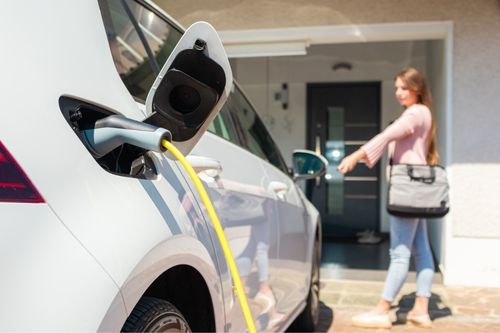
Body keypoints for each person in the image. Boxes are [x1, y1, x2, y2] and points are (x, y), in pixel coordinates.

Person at [338, 67, 438, 329]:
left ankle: (382, 310)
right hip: (416, 191)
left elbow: (388, 135)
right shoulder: (424, 113)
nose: (398, 93)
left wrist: (356, 156)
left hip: (407, 191)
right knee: (422, 251)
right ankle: (421, 310)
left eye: (404, 87)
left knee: (399, 253)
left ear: (417, 88)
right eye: (396, 88)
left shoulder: (415, 113)